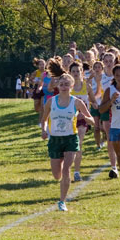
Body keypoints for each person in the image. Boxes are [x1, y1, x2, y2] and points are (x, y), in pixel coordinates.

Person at [41, 73, 94, 211]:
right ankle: (61, 177)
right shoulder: (51, 102)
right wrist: (44, 130)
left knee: (66, 170)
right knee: (56, 175)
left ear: (72, 86)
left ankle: (62, 201)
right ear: (58, 86)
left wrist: (85, 118)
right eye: (61, 84)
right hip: (55, 140)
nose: (64, 87)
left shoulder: (77, 102)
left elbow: (92, 120)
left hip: (70, 138)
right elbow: (44, 119)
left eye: (66, 84)